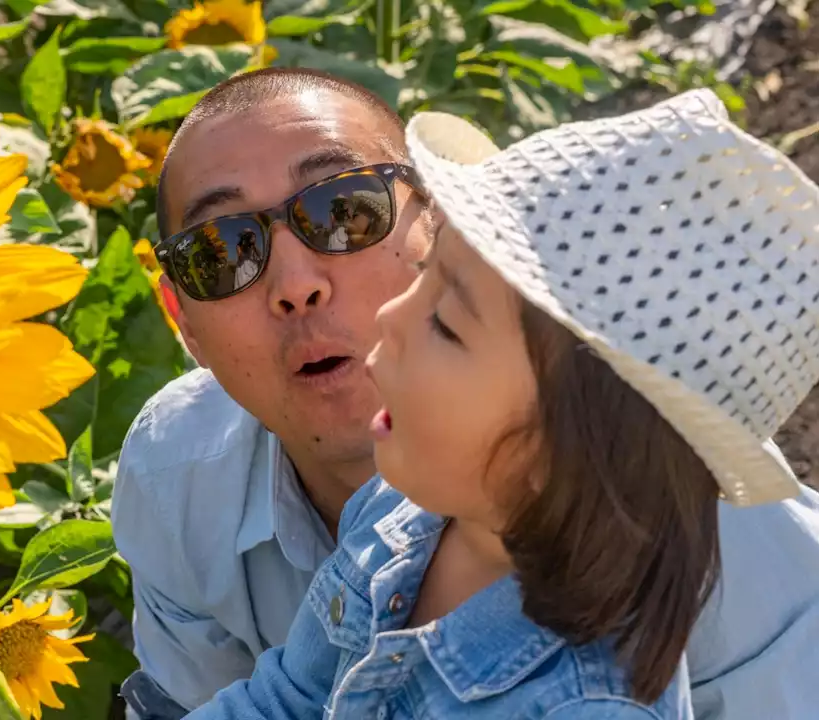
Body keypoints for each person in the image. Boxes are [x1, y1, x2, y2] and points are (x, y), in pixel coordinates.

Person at [111, 67, 820, 719]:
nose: (297, 285)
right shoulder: (387, 517)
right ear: (183, 324)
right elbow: (284, 697)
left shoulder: (745, 574)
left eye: (345, 209)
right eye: (222, 251)